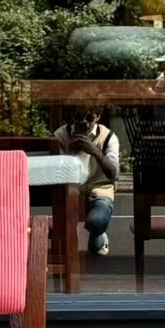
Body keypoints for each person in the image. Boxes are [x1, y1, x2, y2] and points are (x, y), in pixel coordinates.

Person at [54, 108, 119, 256]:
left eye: (89, 118)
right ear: (71, 116)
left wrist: (95, 152)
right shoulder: (61, 136)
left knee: (96, 222)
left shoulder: (108, 136)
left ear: (98, 117)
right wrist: (71, 154)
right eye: (79, 117)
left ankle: (98, 234)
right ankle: (82, 235)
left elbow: (113, 174)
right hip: (70, 190)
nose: (85, 123)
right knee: (67, 248)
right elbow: (57, 173)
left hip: (99, 189)